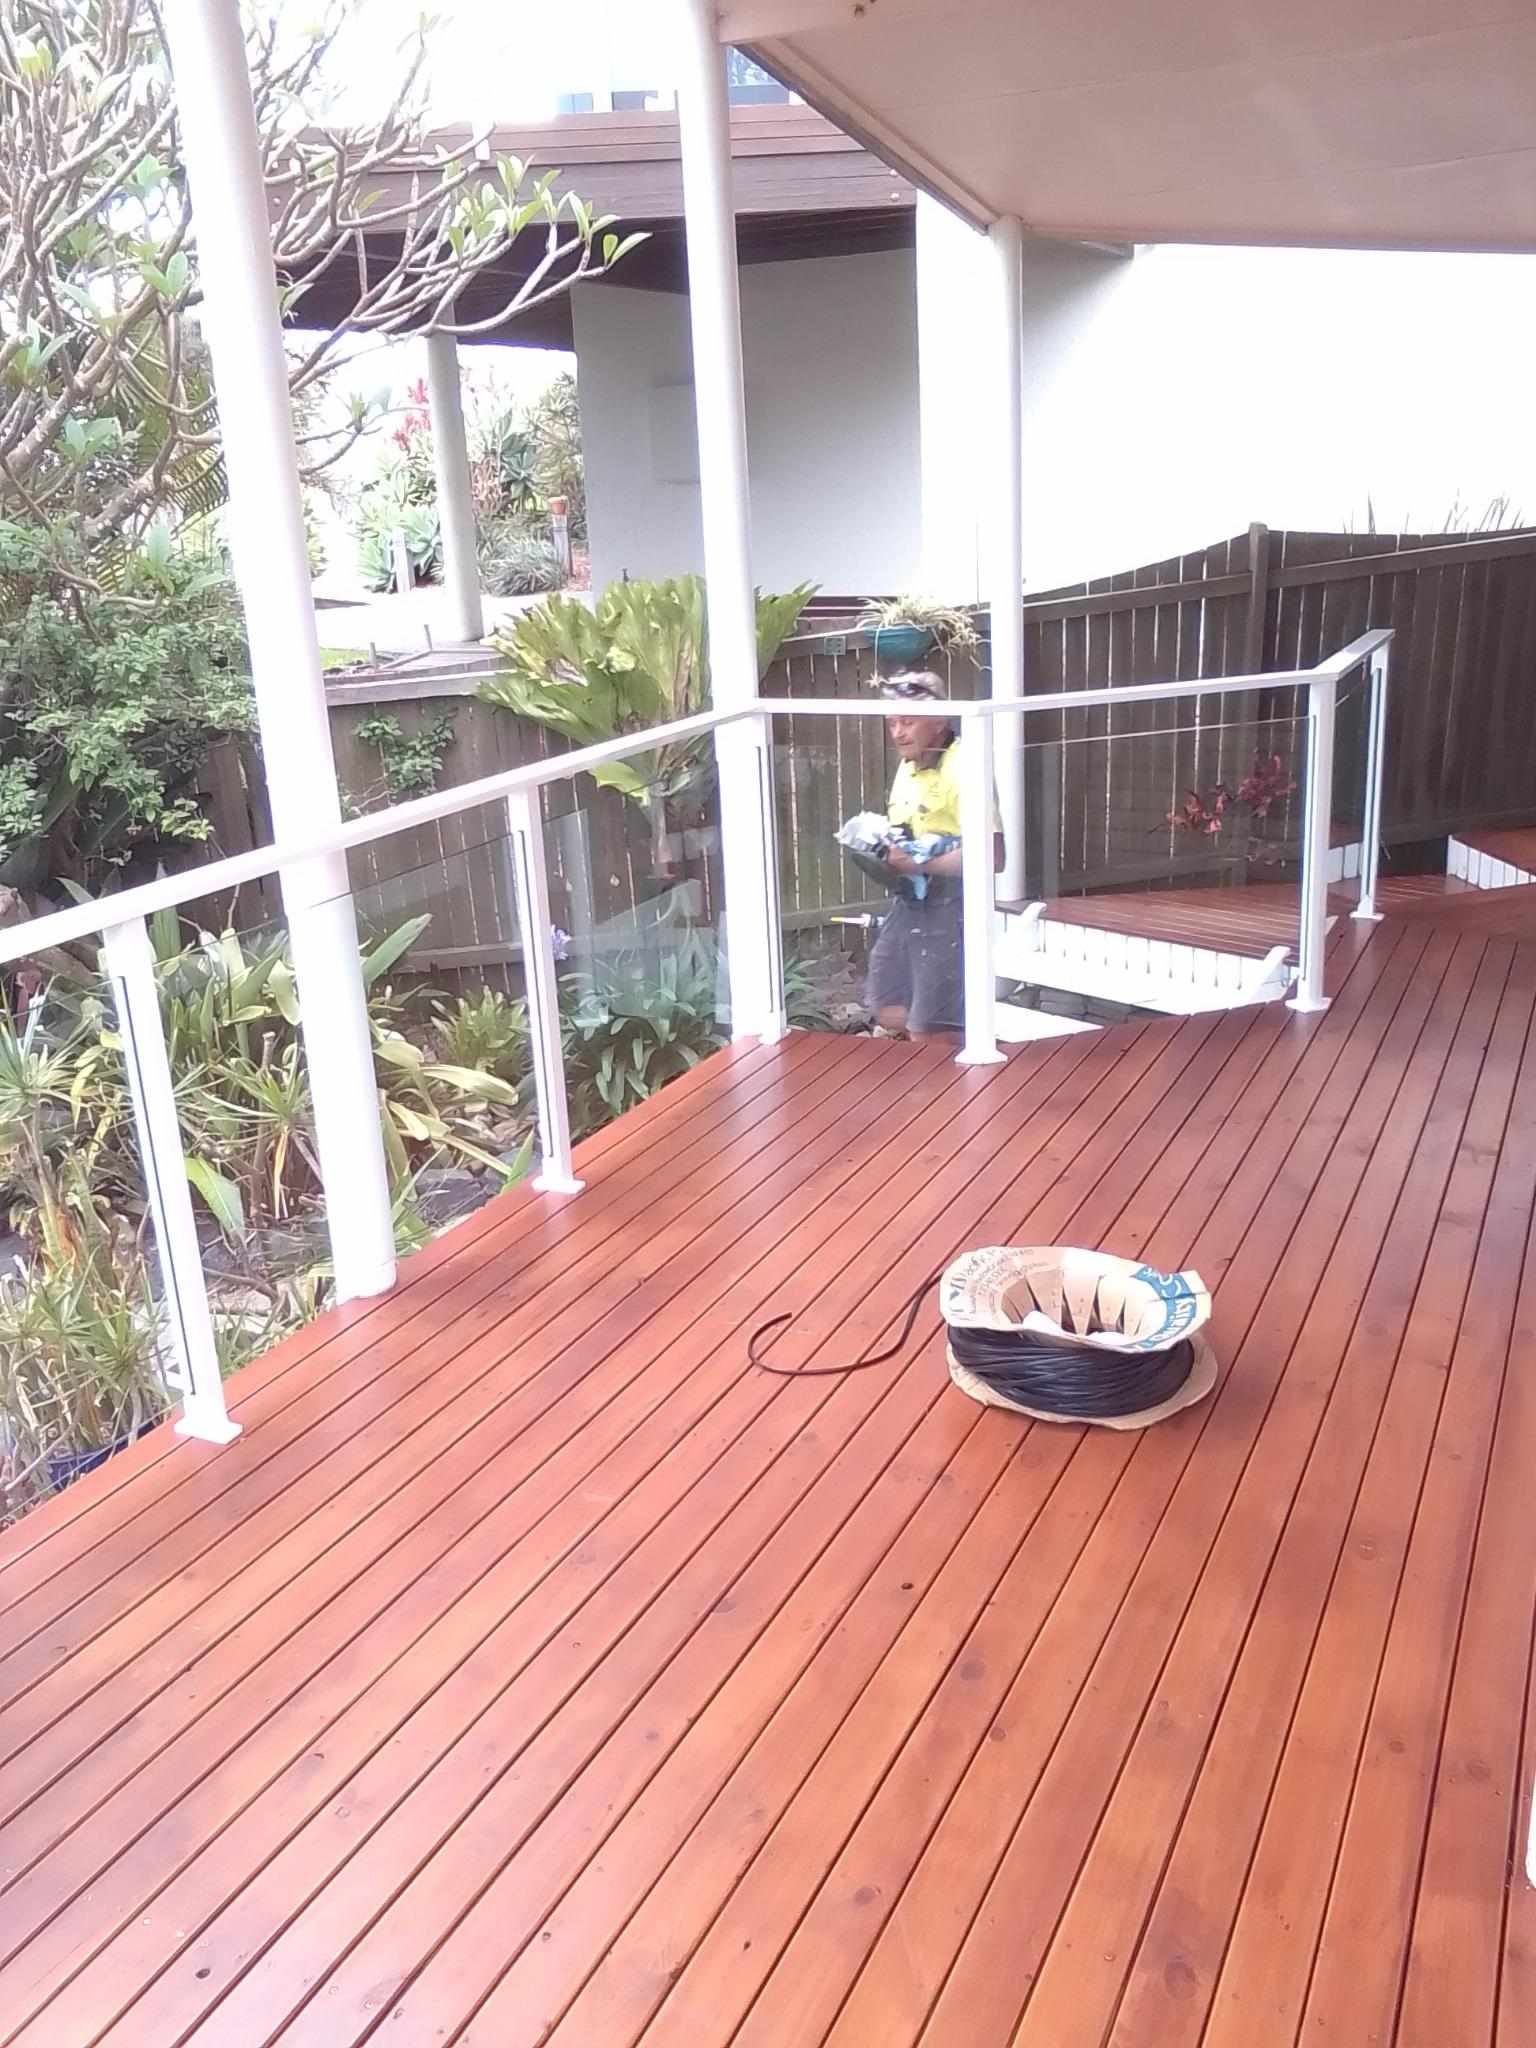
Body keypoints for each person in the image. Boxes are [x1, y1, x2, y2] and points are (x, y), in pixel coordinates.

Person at [865, 672, 1003, 1042]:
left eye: (908, 722)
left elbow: (993, 857)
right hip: (910, 902)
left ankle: (944, 1079)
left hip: (953, 909)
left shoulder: (965, 766)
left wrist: (919, 864)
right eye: (892, 723)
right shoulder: (909, 764)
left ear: (940, 720)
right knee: (885, 999)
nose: (898, 733)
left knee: (931, 1027)